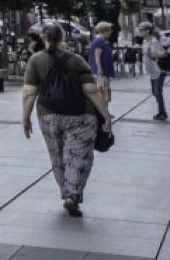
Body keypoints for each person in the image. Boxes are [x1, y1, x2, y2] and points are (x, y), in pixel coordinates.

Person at [21, 23, 114, 216]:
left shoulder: (36, 60)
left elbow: (30, 93)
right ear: (62, 38)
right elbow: (91, 90)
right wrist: (106, 116)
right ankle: (73, 194)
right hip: (81, 115)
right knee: (79, 156)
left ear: (43, 38)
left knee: (57, 155)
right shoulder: (77, 60)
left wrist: (26, 118)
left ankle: (66, 193)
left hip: (48, 115)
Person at [141, 21, 170, 121]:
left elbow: (163, 53)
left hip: (159, 70)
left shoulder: (154, 41)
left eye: (142, 30)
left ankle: (162, 113)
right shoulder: (145, 42)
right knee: (154, 92)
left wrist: (155, 56)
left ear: (148, 31)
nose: (140, 32)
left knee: (158, 92)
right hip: (152, 72)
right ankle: (161, 111)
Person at [87, 22, 116, 102]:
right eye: (110, 30)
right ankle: (104, 112)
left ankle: (106, 112)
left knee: (105, 92)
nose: (111, 32)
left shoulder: (101, 41)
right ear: (105, 31)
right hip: (100, 73)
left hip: (103, 72)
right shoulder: (99, 41)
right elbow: (97, 56)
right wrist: (100, 69)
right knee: (103, 93)